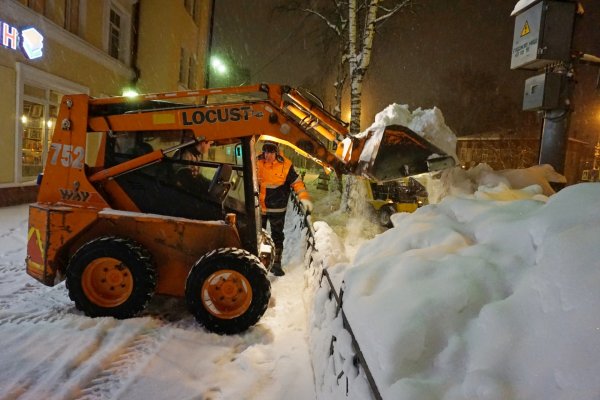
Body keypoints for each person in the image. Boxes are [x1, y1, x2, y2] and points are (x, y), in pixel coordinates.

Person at [257, 140, 313, 276]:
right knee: (258, 235)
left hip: (277, 208)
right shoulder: (256, 162)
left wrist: (303, 197)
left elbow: (297, 182)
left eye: (270, 151)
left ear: (276, 151)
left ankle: (276, 263)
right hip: (259, 208)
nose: (267, 155)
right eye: (265, 150)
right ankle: (259, 262)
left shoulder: (286, 165)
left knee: (277, 236)